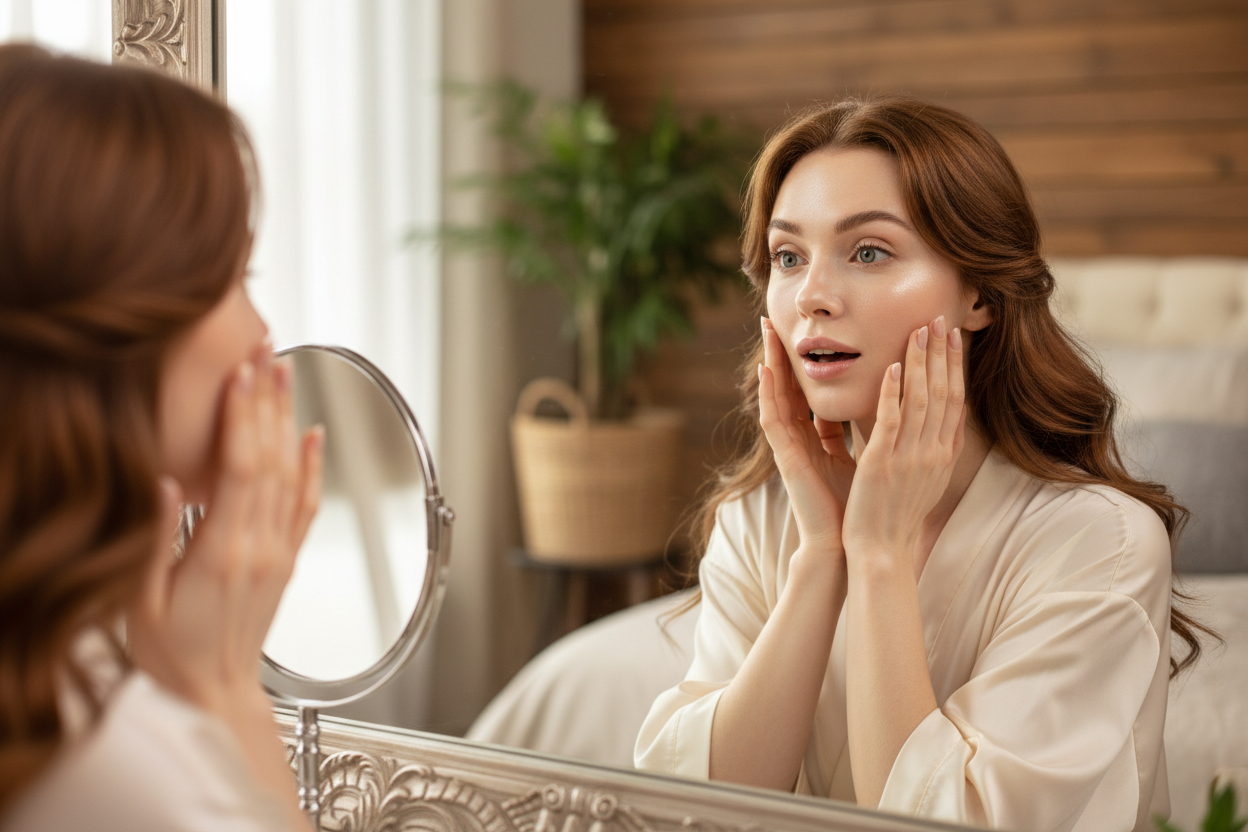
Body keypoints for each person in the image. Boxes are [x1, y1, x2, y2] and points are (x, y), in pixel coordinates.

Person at [634, 96, 1209, 832]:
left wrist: (877, 553)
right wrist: (822, 554)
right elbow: (686, 814)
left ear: (978, 294)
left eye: (868, 251)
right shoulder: (761, 521)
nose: (811, 295)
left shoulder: (1101, 544)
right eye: (787, 257)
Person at [0, 44, 323, 830]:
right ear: (120, 322)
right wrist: (221, 693)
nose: (263, 334)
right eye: (235, 280)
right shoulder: (110, 767)